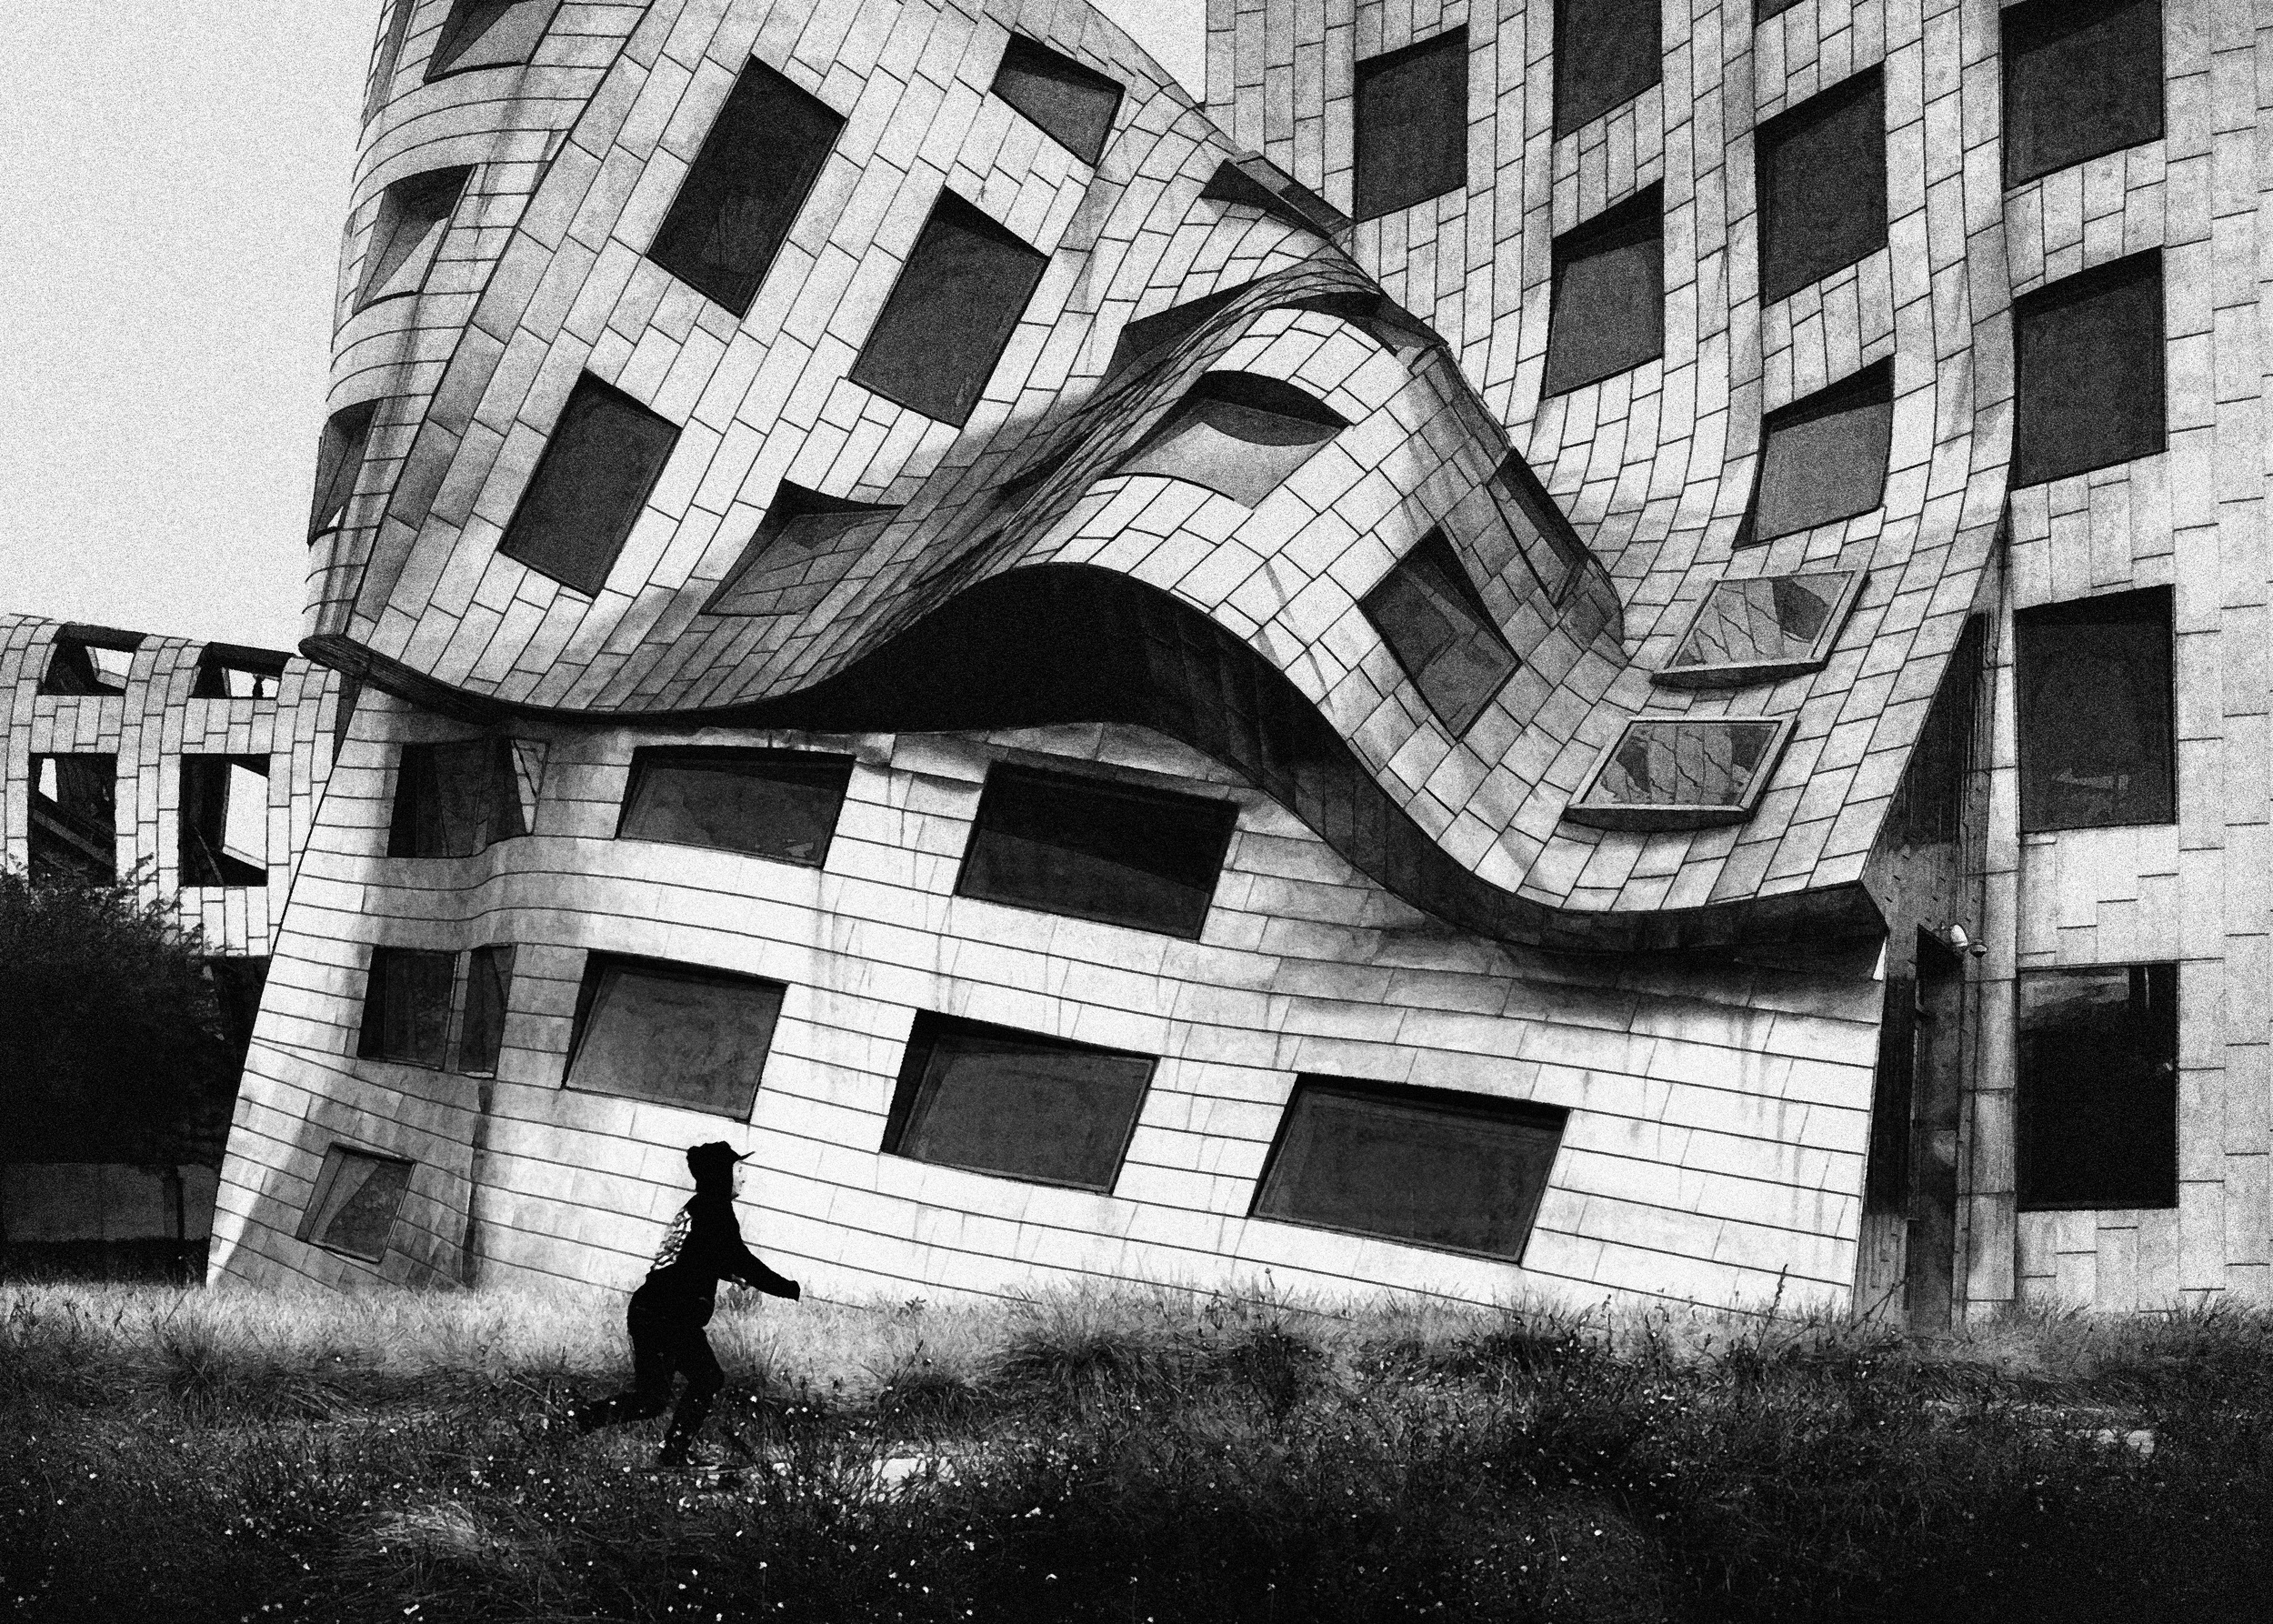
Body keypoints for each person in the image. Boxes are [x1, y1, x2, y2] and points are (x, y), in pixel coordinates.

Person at [574, 1140, 801, 1466]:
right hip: (668, 1314)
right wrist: (788, 1288)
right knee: (687, 1386)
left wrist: (727, 1273)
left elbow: (696, 1255)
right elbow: (742, 1258)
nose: (743, 1178)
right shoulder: (715, 1210)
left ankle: (580, 1423)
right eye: (739, 1170)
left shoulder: (700, 1206)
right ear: (721, 1175)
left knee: (664, 1395)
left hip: (657, 1309)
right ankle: (662, 1450)